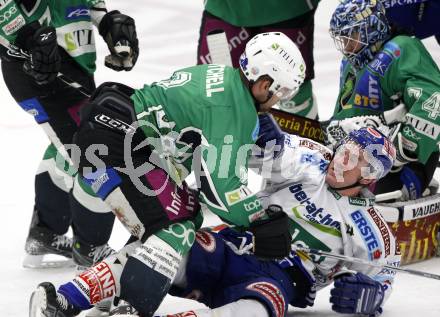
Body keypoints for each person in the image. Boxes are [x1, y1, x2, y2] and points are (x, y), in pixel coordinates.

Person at [28, 32, 307, 316]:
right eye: (282, 92)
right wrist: (260, 218)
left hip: (112, 133)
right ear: (264, 83)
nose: (279, 101)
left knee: (176, 219)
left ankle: (65, 301)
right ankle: (129, 309)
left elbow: (199, 165)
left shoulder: (222, 77)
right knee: (174, 229)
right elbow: (220, 192)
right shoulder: (235, 108)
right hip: (121, 142)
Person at [29, 122, 401, 317]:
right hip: (233, 243)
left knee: (262, 308)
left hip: (276, 279)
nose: (343, 161)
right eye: (347, 151)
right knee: (165, 248)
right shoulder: (311, 157)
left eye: (358, 162)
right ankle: (64, 301)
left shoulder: (372, 228)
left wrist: (371, 297)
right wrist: (259, 138)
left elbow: (382, 277)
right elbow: (263, 154)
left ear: (370, 177)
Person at [0, 0, 139, 268]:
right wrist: (26, 40)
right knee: (94, 152)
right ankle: (90, 246)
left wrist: (111, 26)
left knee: (67, 146)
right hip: (37, 74)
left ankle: (45, 231)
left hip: (77, 66)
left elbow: (92, 9)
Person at [325, 0, 440, 201]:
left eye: (352, 36)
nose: (347, 47)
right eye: (342, 39)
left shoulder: (402, 48)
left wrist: (403, 146)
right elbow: (346, 108)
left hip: (401, 163)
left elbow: (433, 102)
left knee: (360, 201)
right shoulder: (351, 61)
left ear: (372, 27)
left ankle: (419, 184)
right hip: (354, 156)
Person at [198, 0, 320, 119]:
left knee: (291, 90)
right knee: (214, 87)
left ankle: (308, 138)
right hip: (225, 8)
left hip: (288, 9)